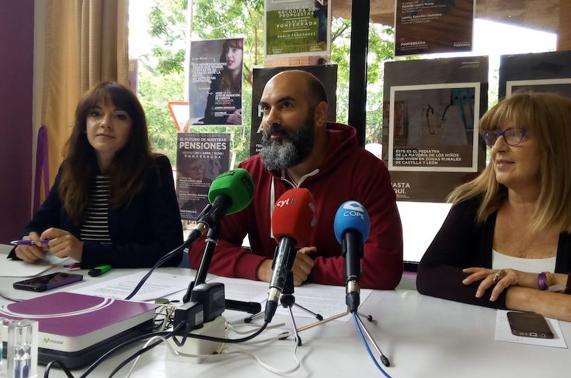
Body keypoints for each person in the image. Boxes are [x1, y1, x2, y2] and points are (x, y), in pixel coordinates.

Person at [416, 91, 571, 327]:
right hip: (485, 352)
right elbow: (429, 275)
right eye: (494, 137)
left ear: (557, 144)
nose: (498, 148)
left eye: (514, 135)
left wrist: (544, 281)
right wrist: (530, 298)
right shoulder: (474, 204)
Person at [189, 70, 403, 289]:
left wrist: (303, 268)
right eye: (265, 108)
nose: (270, 119)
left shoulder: (366, 171)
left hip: (345, 311)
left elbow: (384, 267)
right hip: (266, 308)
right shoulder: (250, 173)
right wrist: (264, 267)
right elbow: (199, 248)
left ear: (319, 114)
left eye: (285, 105)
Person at [11, 81, 183, 268]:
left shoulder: (154, 169)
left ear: (133, 128)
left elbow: (170, 251)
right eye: (95, 114)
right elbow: (38, 225)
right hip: (74, 280)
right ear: (84, 125)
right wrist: (26, 244)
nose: (105, 123)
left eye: (119, 116)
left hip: (130, 284)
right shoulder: (70, 168)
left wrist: (85, 252)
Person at [200, 38, 243, 125]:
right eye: (227, 50)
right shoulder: (218, 78)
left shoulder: (249, 80)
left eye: (234, 50)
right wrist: (228, 118)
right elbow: (208, 115)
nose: (229, 55)